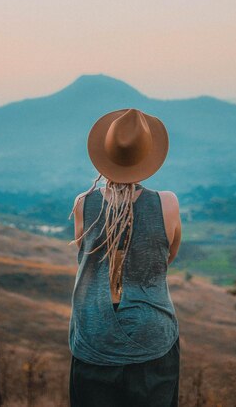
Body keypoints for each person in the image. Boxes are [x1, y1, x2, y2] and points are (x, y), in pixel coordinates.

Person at [67, 108, 182, 407]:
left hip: (95, 333)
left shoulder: (83, 203)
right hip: (152, 333)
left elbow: (85, 252)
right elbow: (166, 258)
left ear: (104, 153)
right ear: (148, 156)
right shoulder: (167, 203)